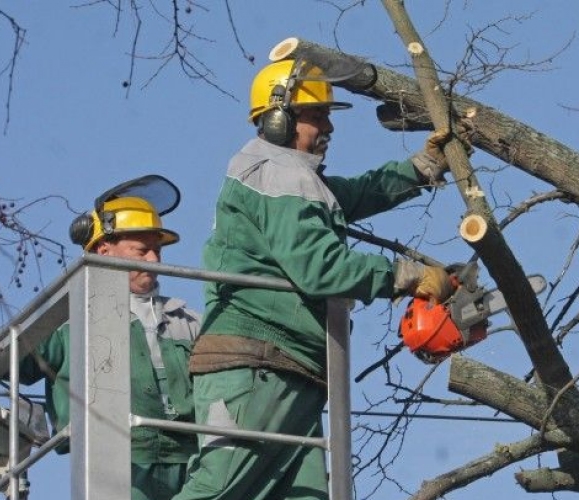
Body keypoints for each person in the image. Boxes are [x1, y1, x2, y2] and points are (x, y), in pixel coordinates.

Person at [173, 58, 460, 500]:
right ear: (277, 120)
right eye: (318, 116)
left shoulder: (294, 176)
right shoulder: (277, 172)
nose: (329, 127)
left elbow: (356, 193)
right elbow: (320, 267)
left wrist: (422, 168)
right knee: (217, 491)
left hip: (292, 366)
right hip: (258, 362)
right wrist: (403, 275)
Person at [18, 175, 201, 500]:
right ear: (103, 250)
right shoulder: (71, 321)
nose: (154, 261)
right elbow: (17, 358)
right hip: (119, 464)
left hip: (194, 465)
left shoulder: (188, 322)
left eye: (157, 251)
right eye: (142, 251)